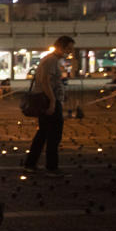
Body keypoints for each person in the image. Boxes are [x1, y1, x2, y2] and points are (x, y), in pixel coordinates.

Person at [23, 36, 75, 177]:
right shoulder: (51, 60)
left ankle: (30, 164)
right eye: (68, 48)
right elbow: (45, 82)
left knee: (43, 133)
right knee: (54, 135)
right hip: (48, 100)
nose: (70, 52)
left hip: (48, 99)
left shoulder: (51, 60)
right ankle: (51, 168)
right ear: (60, 47)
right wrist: (53, 101)